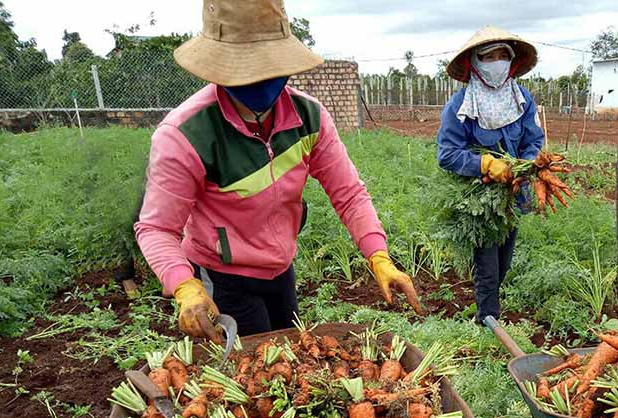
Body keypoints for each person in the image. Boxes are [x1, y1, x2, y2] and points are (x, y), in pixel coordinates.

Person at [135, 0, 421, 340]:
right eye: (248, 68)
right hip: (224, 276)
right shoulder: (186, 135)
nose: (261, 78)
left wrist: (378, 256)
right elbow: (156, 228)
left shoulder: (308, 117)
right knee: (252, 369)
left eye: (269, 66)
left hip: (281, 270)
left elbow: (349, 194)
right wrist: (184, 285)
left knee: (288, 355)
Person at [436, 26, 544, 324]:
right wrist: (484, 165)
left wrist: (526, 165)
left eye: (502, 56)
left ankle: (487, 311)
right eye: (489, 56)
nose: (497, 62)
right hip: (479, 200)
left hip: (513, 195)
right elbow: (447, 154)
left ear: (513, 62)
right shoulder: (460, 106)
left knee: (504, 261)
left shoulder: (522, 99)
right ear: (475, 62)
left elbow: (534, 140)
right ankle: (488, 320)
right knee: (487, 265)